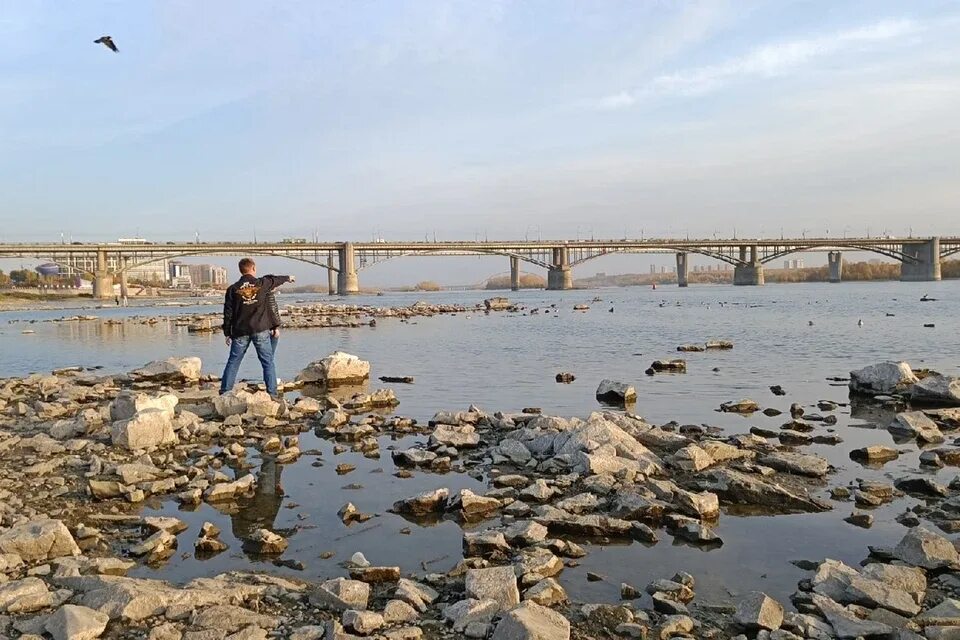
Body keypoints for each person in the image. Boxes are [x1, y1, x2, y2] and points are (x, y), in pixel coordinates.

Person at [220, 258, 294, 397]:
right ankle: (272, 394)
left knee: (233, 361)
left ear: (240, 270)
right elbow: (275, 280)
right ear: (253, 268)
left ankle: (225, 392)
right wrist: (288, 278)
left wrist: (227, 332)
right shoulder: (261, 283)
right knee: (268, 362)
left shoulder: (232, 289)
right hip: (260, 329)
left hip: (240, 330)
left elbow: (228, 313)